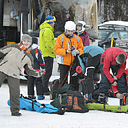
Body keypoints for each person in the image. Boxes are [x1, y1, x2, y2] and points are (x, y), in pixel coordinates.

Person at [0, 34, 43, 116]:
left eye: (28, 41)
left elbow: (28, 70)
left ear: (31, 43)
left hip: (14, 73)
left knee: (15, 92)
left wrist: (37, 74)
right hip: (2, 69)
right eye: (24, 41)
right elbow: (1, 52)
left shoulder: (29, 56)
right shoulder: (13, 46)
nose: (26, 43)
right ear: (21, 41)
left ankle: (15, 111)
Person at [55, 21, 84, 91]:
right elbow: (56, 50)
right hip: (63, 62)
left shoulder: (77, 38)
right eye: (69, 31)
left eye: (72, 31)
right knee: (63, 80)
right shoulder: (60, 38)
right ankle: (62, 94)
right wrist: (66, 51)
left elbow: (81, 49)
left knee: (74, 79)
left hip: (74, 62)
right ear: (65, 30)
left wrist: (78, 52)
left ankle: (73, 94)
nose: (70, 33)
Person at [39, 16, 56, 95]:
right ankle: (45, 89)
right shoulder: (48, 31)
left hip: (45, 53)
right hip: (48, 54)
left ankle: (44, 88)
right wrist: (54, 52)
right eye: (53, 22)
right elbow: (49, 44)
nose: (54, 24)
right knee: (48, 72)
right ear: (50, 22)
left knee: (46, 72)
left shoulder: (43, 29)